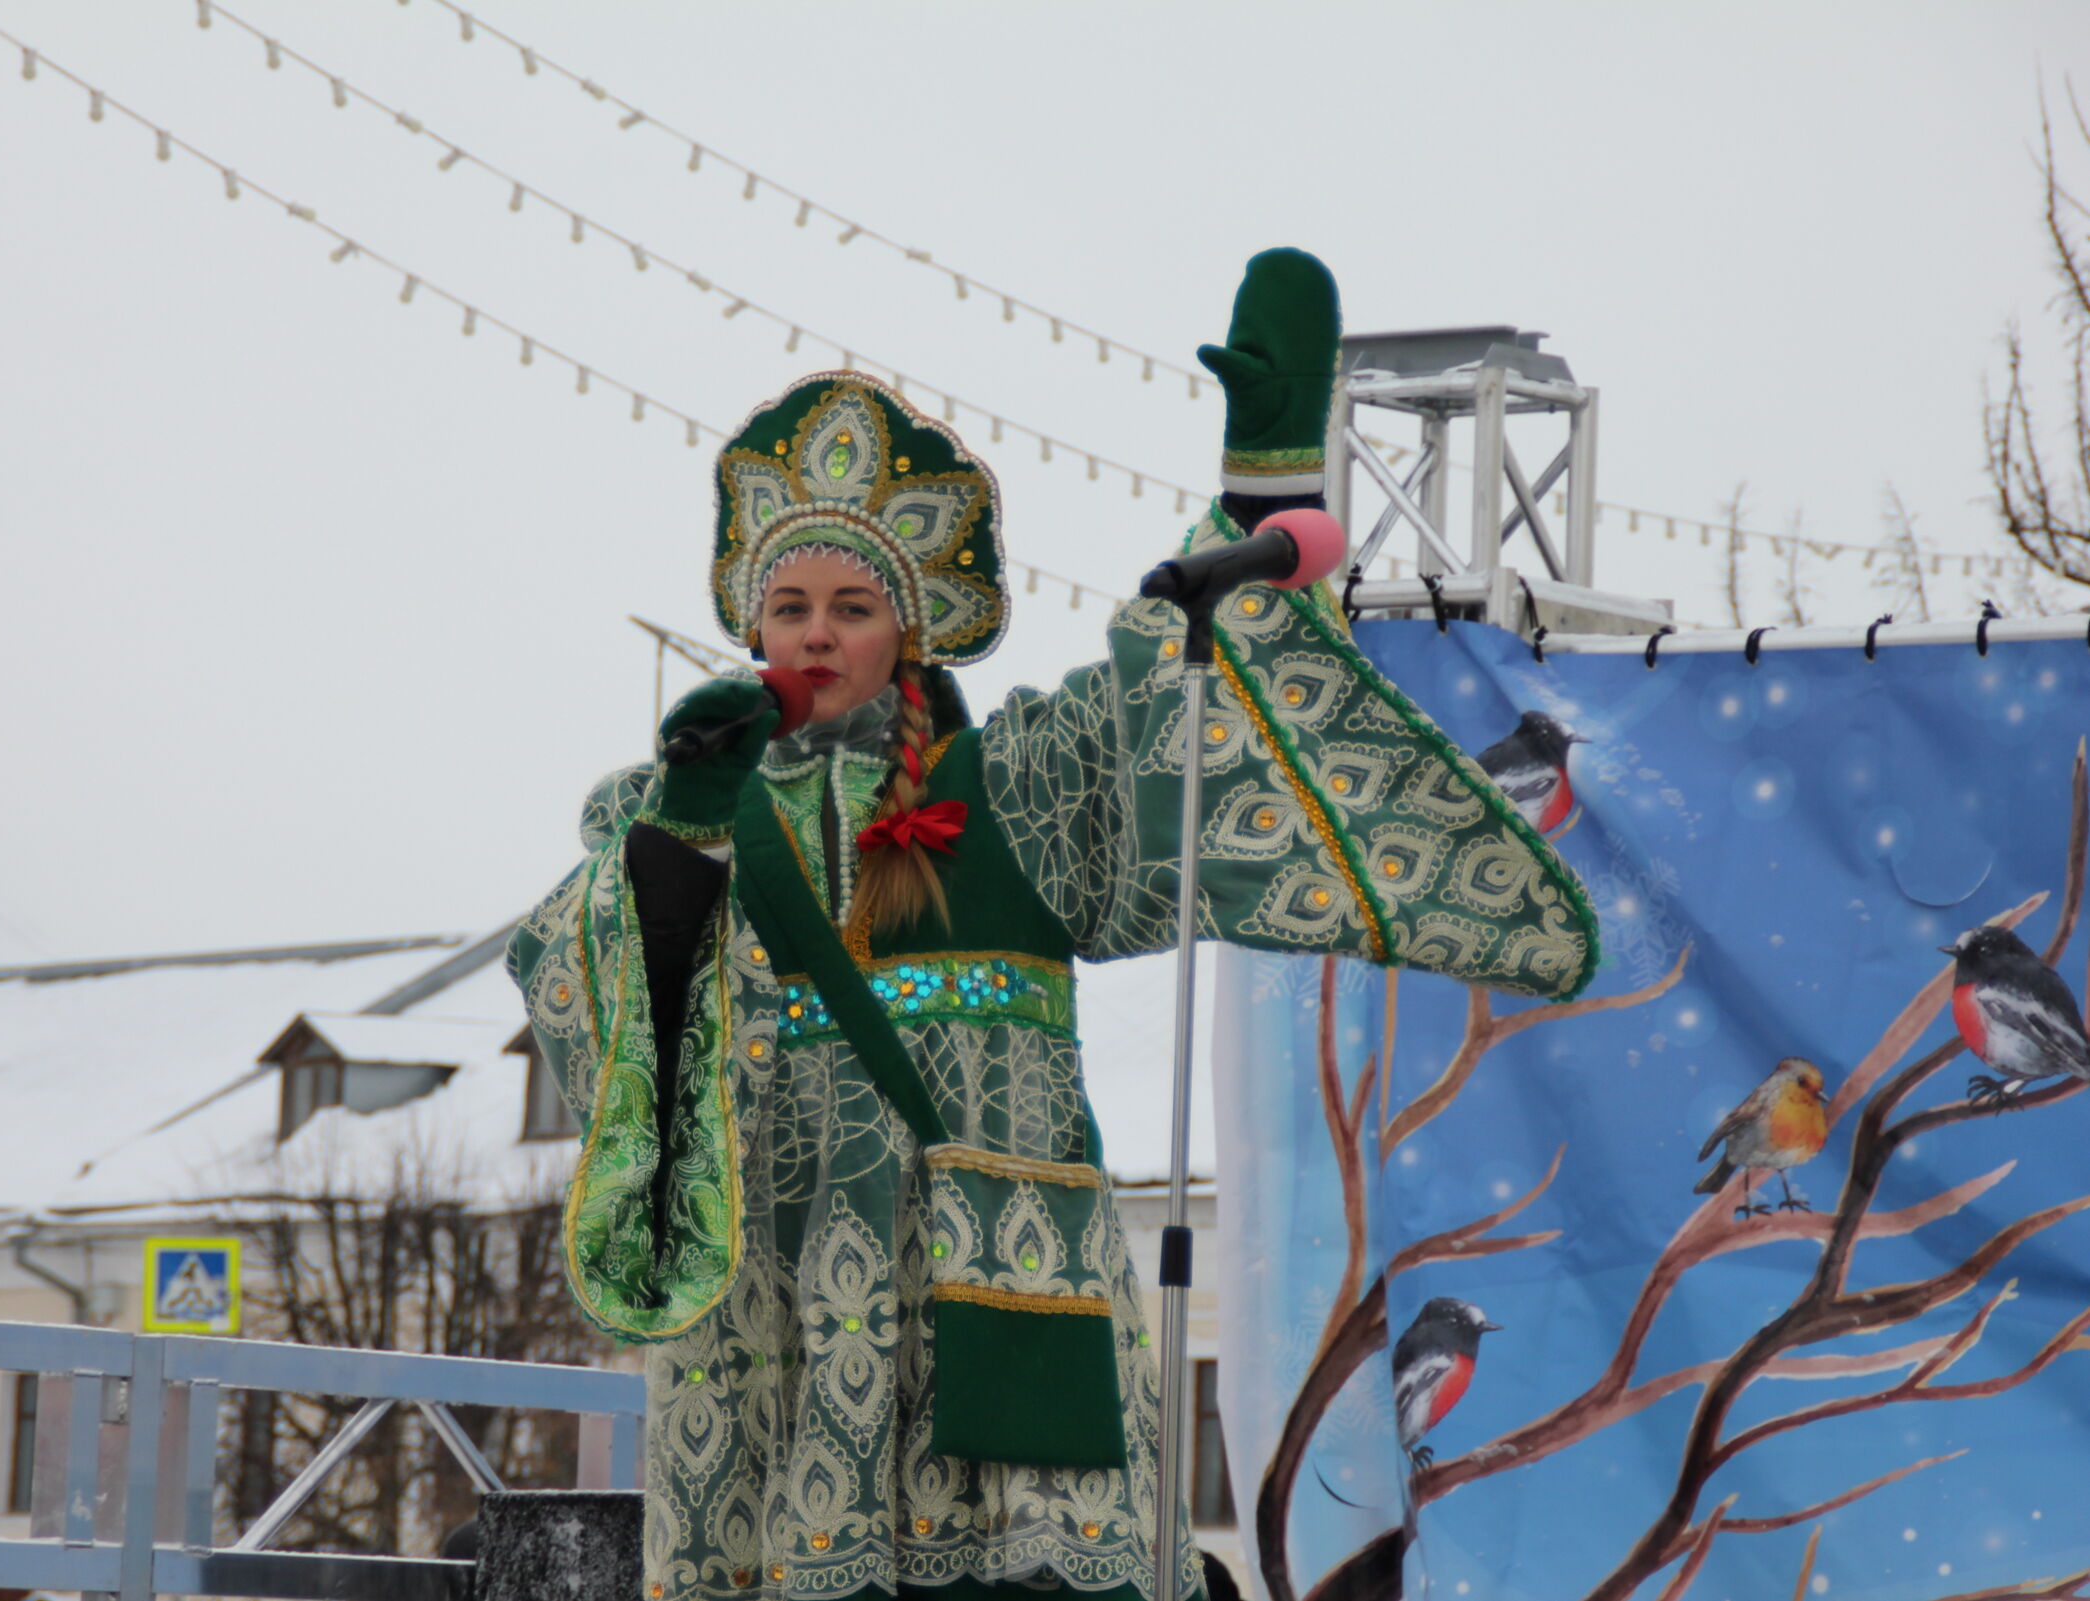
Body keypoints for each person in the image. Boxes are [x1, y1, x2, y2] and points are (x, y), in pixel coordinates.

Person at [509, 250, 1597, 1601]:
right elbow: (585, 998)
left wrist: (1260, 481)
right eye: (787, 607)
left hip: (989, 1282)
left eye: (851, 607)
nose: (813, 633)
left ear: (910, 633)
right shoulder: (674, 801)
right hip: (785, 1294)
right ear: (748, 623)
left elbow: (1168, 704)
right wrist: (682, 834)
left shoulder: (1006, 783)